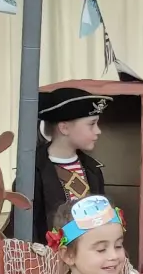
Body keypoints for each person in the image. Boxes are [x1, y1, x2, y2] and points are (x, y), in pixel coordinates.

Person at [24, 89, 109, 244]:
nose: (98, 131)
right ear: (64, 128)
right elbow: (29, 228)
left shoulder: (93, 169)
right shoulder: (33, 172)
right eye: (91, 124)